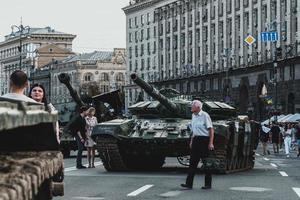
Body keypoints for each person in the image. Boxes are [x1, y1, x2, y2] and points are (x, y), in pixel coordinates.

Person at [181, 100, 214, 190]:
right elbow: (193, 130)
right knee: (192, 163)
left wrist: (211, 143)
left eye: (193, 106)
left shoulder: (205, 115)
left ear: (198, 107)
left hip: (204, 141)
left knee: (206, 163)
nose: (191, 107)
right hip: (196, 140)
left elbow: (211, 130)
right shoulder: (193, 116)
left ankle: (208, 184)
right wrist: (192, 141)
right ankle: (189, 184)